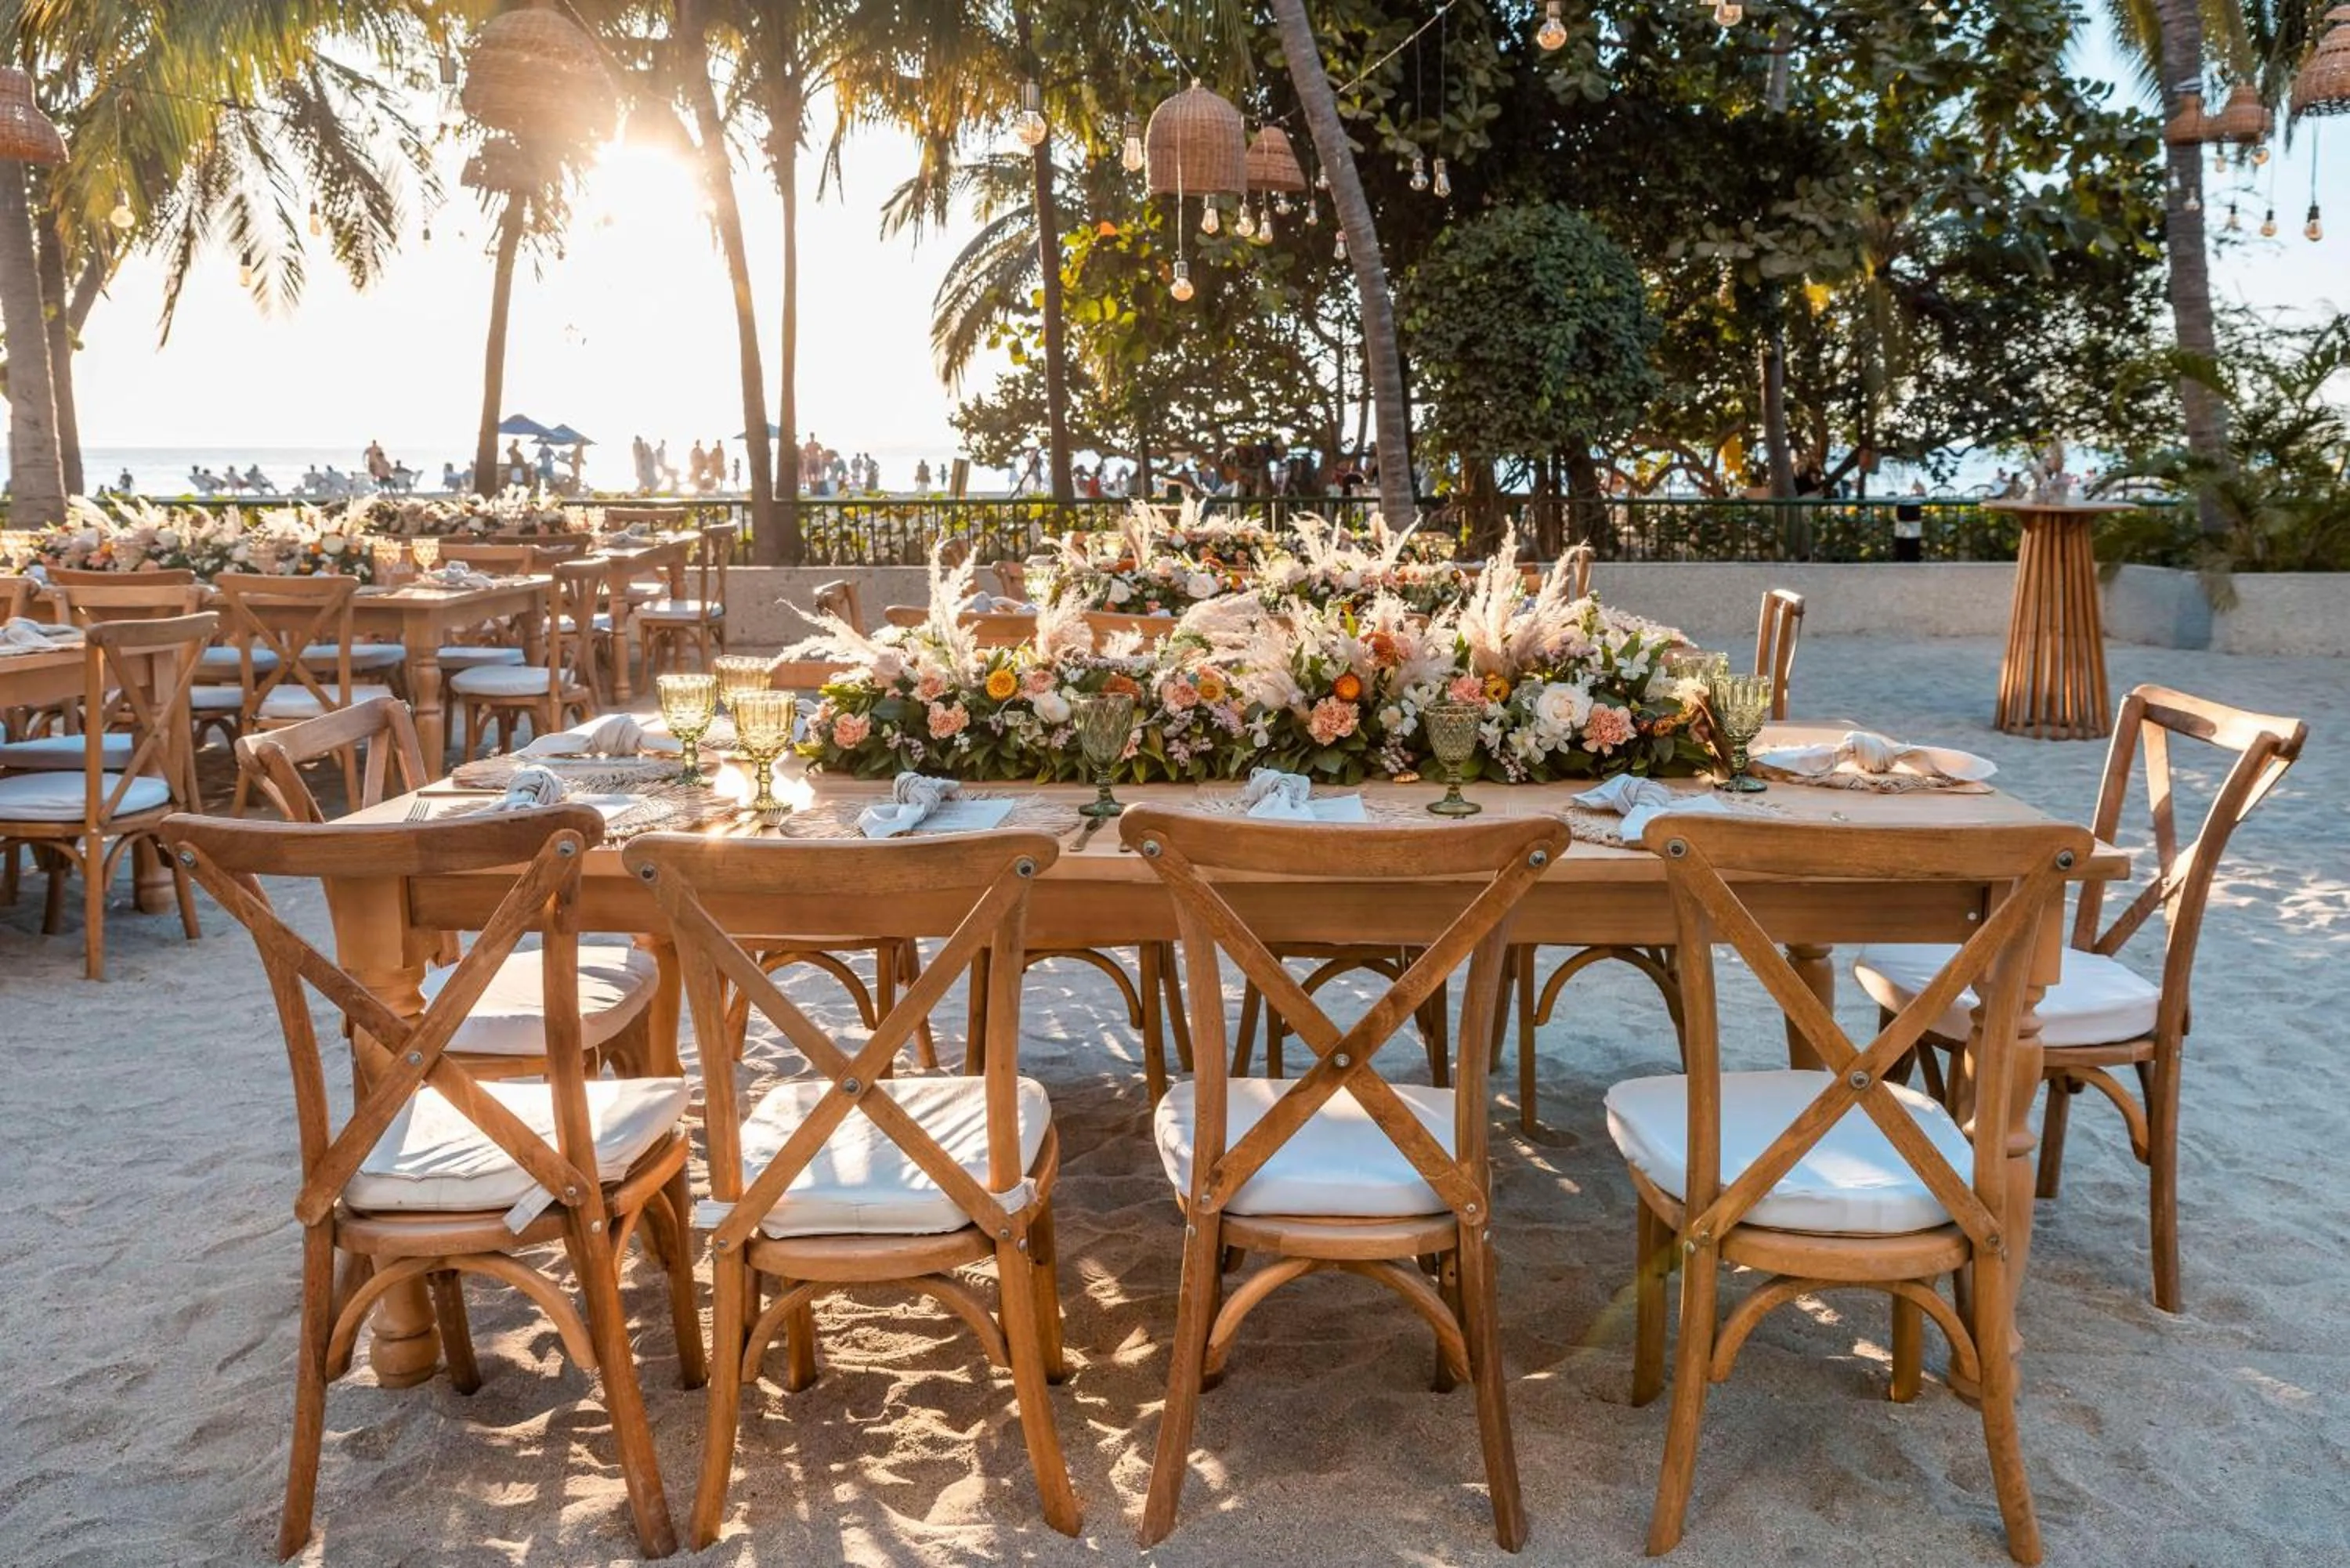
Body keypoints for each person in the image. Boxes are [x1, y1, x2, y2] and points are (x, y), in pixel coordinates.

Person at [1893, 480, 1926, 562]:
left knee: (1909, 545)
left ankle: (1904, 560)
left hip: (1910, 519)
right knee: (1907, 545)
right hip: (1907, 518)